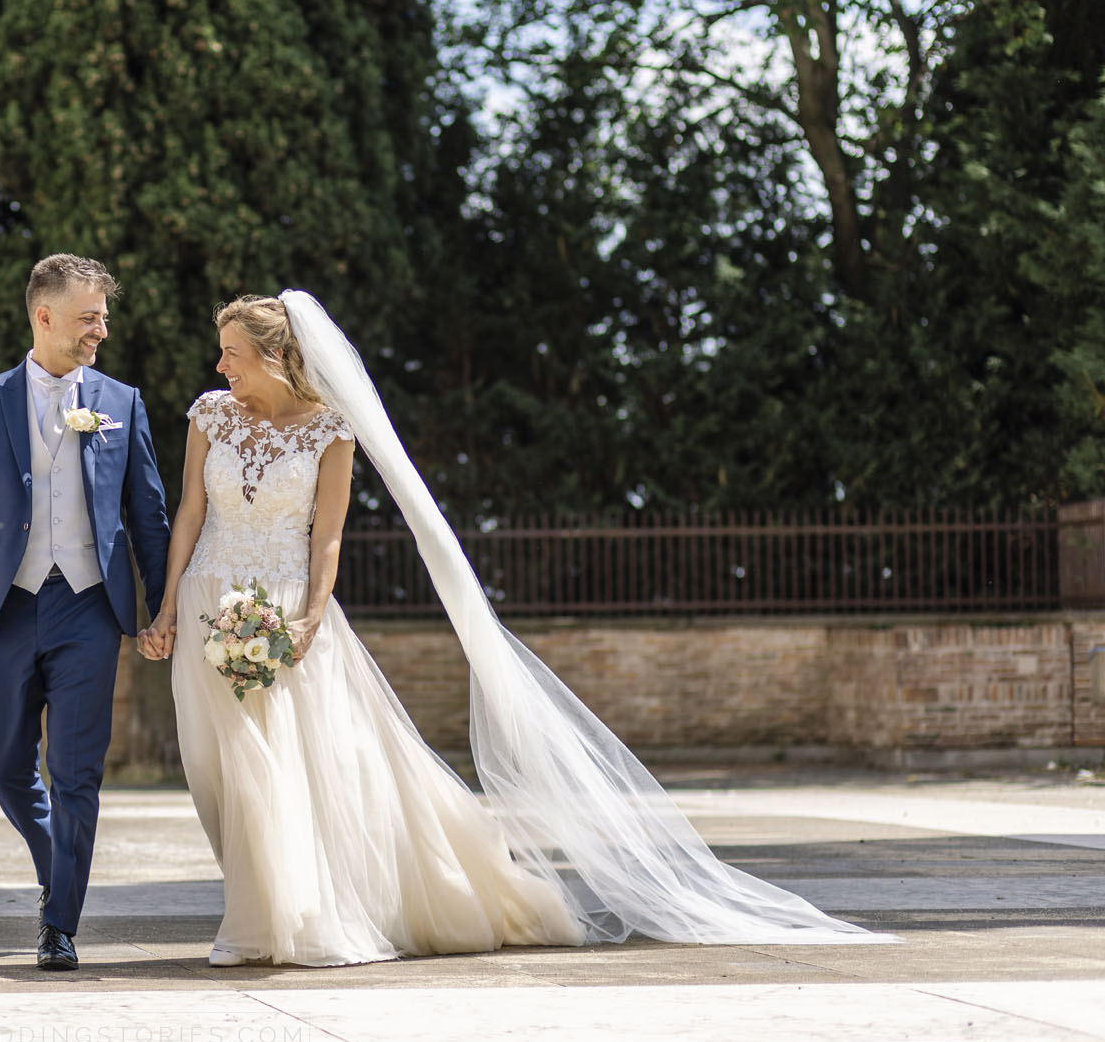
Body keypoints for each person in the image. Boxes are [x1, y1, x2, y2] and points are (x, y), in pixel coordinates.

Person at [139, 292, 889, 966]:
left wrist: (308, 615)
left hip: (287, 610)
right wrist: (170, 606)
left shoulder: (331, 432)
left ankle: (281, 923)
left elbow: (327, 536)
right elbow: (191, 515)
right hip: (210, 600)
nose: (220, 363)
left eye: (231, 351)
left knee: (284, 770)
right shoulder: (209, 415)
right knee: (215, 770)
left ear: (273, 355)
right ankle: (266, 909)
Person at [0, 254, 172, 971]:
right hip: (8, 608)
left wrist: (161, 608)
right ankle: (53, 866)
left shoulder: (122, 402)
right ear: (45, 316)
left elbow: (148, 514)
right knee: (5, 763)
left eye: (103, 315)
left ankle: (60, 923)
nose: (102, 328)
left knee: (75, 771)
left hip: (91, 609)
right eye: (89, 316)